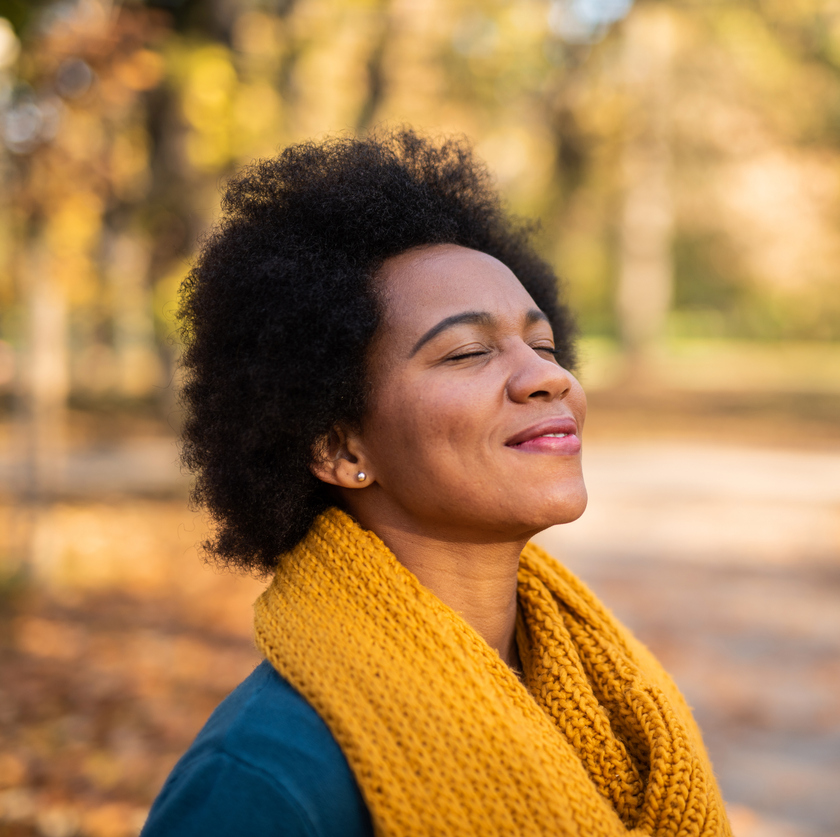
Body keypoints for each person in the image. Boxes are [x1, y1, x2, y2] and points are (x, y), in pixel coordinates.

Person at [139, 129, 731, 837]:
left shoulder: (613, 698)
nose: (549, 376)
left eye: (542, 345)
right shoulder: (265, 784)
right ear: (338, 445)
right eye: (469, 351)